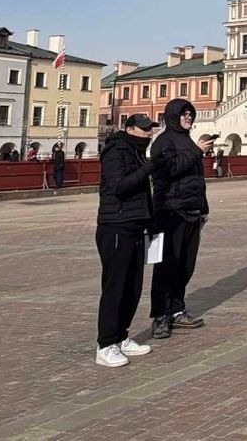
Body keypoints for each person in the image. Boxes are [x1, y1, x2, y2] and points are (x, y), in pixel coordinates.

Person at [94, 114, 158, 368]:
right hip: (115, 226)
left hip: (136, 225)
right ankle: (105, 343)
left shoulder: (138, 152)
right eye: (143, 129)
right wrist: (149, 168)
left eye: (150, 129)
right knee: (115, 286)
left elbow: (143, 192)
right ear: (129, 129)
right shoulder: (116, 151)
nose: (148, 134)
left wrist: (151, 222)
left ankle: (121, 336)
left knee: (133, 287)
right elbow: (119, 186)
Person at [149, 99, 211, 338]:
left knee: (186, 264)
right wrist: (197, 152)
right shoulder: (163, 141)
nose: (188, 118)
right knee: (167, 265)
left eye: (190, 114)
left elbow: (197, 180)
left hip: (192, 212)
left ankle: (177, 308)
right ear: (173, 116)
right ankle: (160, 315)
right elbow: (168, 171)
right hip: (170, 211)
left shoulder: (187, 140)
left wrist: (203, 208)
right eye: (184, 114)